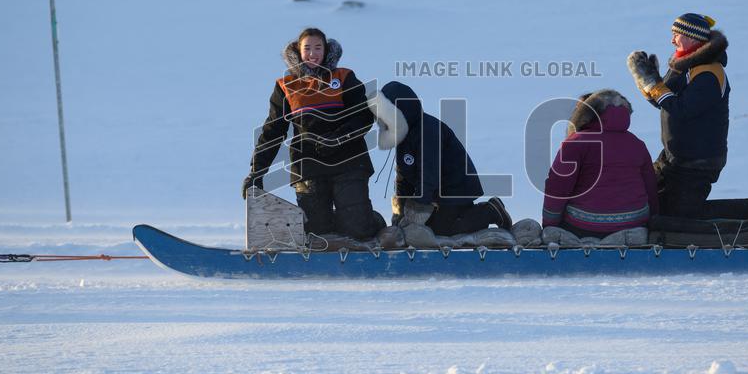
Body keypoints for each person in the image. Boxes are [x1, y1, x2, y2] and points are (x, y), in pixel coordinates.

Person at [242, 27, 382, 239]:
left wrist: (339, 138)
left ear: (326, 51)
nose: (313, 53)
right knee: (318, 232)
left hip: (349, 161)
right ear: (298, 51)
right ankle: (337, 224)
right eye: (307, 48)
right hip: (307, 166)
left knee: (358, 229)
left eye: (318, 47)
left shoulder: (344, 77)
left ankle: (372, 223)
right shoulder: (286, 86)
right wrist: (257, 171)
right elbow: (273, 130)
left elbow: (363, 116)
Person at [367, 80, 513, 236]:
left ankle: (490, 211)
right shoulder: (403, 135)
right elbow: (403, 176)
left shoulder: (428, 130)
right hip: (435, 193)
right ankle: (455, 214)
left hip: (455, 190)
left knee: (441, 230)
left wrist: (418, 208)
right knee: (423, 227)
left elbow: (428, 172)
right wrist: (401, 212)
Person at [627, 13, 730, 218]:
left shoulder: (709, 72)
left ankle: (746, 216)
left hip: (698, 161)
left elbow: (682, 109)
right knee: (651, 203)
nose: (672, 40)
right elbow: (664, 103)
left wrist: (655, 85)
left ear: (692, 38)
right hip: (675, 157)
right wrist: (647, 81)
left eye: (676, 34)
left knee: (680, 215)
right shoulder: (684, 66)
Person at [542, 90, 659, 237]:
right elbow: (650, 187)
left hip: (585, 226)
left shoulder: (575, 143)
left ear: (584, 115)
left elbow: (558, 187)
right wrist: (652, 220)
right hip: (634, 224)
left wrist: (549, 225)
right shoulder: (637, 144)